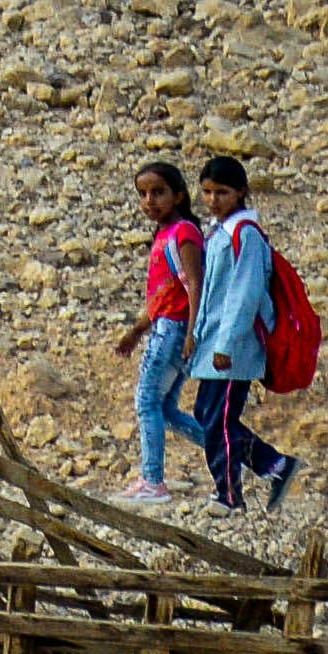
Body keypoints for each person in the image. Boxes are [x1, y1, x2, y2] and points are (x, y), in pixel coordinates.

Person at [185, 156, 302, 514]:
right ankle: (275, 466)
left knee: (217, 419)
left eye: (222, 192)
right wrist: (198, 335)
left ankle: (231, 497)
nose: (213, 200)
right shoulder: (221, 232)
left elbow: (245, 293)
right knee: (209, 416)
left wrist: (225, 345)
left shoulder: (245, 235)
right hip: (216, 344)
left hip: (234, 348)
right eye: (207, 192)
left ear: (241, 193)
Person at [112, 162, 203, 503]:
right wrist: (137, 331)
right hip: (167, 327)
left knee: (147, 401)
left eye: (158, 192)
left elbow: (194, 285)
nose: (149, 200)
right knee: (164, 409)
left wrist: (192, 333)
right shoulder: (166, 235)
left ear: (178, 195)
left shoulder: (183, 233)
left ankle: (153, 482)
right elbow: (164, 294)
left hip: (175, 329)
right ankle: (233, 454)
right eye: (143, 194)